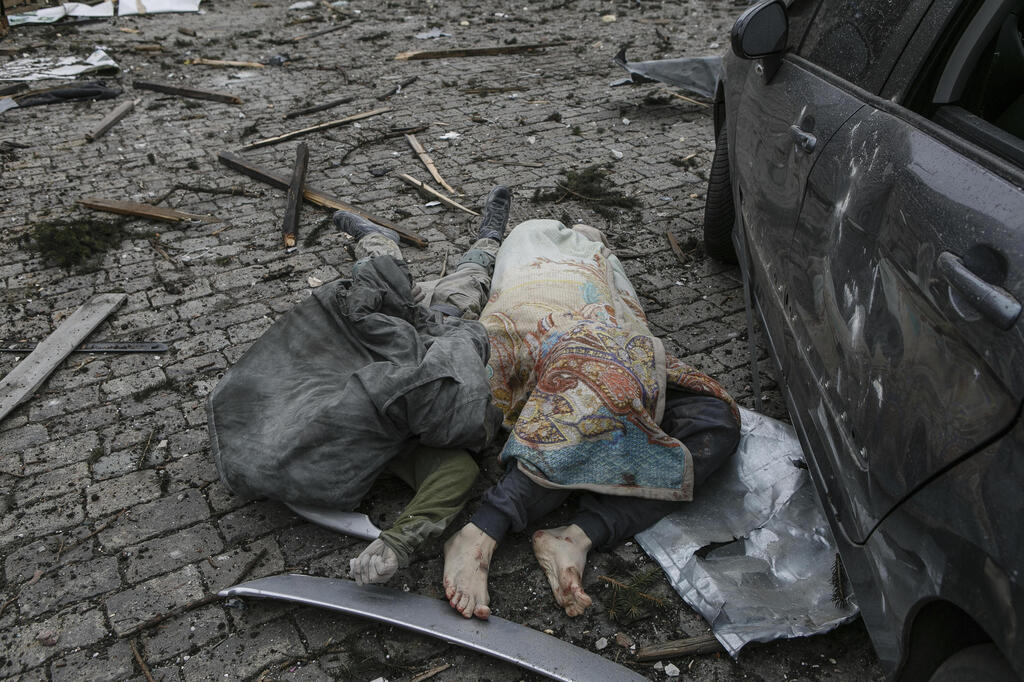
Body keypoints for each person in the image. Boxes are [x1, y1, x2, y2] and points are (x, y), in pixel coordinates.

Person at [207, 187, 512, 586]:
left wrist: (397, 541)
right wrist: (398, 541)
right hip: (443, 323)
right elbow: (460, 458)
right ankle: (484, 241)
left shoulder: (315, 427)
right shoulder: (363, 440)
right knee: (467, 284)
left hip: (399, 323)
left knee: (381, 271)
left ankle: (414, 237)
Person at [441, 219, 742, 619]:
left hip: (614, 349)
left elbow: (626, 311)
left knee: (716, 416)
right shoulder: (527, 238)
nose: (581, 232)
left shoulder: (602, 258)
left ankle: (577, 536)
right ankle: (480, 531)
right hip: (542, 327)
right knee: (597, 380)